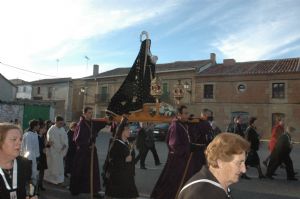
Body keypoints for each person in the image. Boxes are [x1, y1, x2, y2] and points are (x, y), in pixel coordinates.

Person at [178, 133, 250, 199]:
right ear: (220, 162)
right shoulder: (200, 194)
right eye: (239, 163)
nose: (244, 170)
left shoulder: (214, 186)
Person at [151, 105, 192, 199]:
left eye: (187, 113)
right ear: (179, 114)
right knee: (171, 186)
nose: (187, 115)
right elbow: (173, 145)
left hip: (182, 160)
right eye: (185, 113)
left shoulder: (182, 124)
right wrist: (189, 148)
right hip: (176, 162)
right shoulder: (175, 126)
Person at [69, 107, 107, 197]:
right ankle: (75, 189)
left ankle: (94, 191)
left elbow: (99, 126)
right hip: (83, 152)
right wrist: (87, 144)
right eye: (89, 113)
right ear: (85, 113)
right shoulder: (80, 124)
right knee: (80, 171)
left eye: (92, 113)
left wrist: (107, 120)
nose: (91, 114)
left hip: (91, 151)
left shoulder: (92, 122)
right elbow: (76, 139)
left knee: (93, 171)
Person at [0, 123, 38, 199]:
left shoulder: (25, 163)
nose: (20, 143)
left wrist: (31, 195)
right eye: (14, 139)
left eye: (20, 139)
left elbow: (29, 187)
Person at [105, 118, 139, 199]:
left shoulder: (128, 143)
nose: (130, 131)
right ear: (122, 131)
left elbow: (132, 159)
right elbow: (112, 160)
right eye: (128, 130)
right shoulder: (116, 144)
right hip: (119, 178)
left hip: (128, 176)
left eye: (130, 129)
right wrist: (124, 160)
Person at [44, 116, 68, 185]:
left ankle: (59, 180)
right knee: (52, 165)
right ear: (56, 122)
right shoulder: (52, 130)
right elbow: (52, 141)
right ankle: (50, 179)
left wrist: (65, 145)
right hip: (53, 151)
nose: (61, 125)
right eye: (60, 123)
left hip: (60, 152)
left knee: (59, 166)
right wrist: (60, 147)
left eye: (62, 123)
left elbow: (65, 138)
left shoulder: (62, 129)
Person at [21, 120, 40, 184]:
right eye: (38, 125)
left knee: (34, 173)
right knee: (29, 174)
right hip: (29, 158)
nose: (39, 126)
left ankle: (33, 190)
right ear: (34, 126)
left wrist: (37, 156)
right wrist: (29, 159)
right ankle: (29, 191)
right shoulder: (28, 135)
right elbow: (27, 148)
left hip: (34, 157)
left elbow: (36, 146)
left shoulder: (35, 134)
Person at [37, 121, 48, 191]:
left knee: (42, 171)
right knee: (37, 172)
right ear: (40, 129)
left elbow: (45, 145)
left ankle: (40, 184)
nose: (45, 130)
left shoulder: (43, 136)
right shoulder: (36, 136)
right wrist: (42, 150)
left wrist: (47, 144)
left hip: (43, 155)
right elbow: (35, 147)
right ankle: (36, 186)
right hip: (38, 156)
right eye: (44, 128)